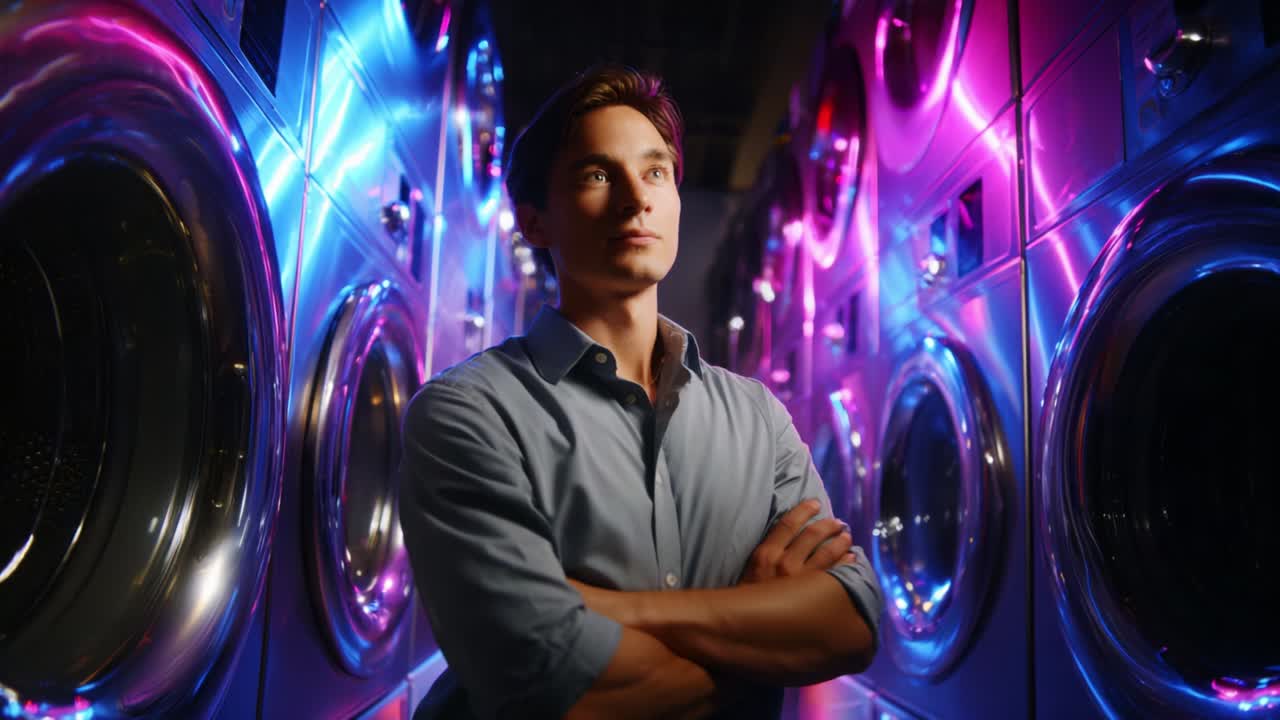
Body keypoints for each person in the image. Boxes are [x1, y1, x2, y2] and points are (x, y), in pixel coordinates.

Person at [398, 64, 882, 720]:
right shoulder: (468, 412)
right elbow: (554, 688)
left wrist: (617, 610)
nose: (636, 198)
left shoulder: (758, 416)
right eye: (598, 175)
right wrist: (760, 634)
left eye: (656, 172)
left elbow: (850, 625)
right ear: (535, 221)